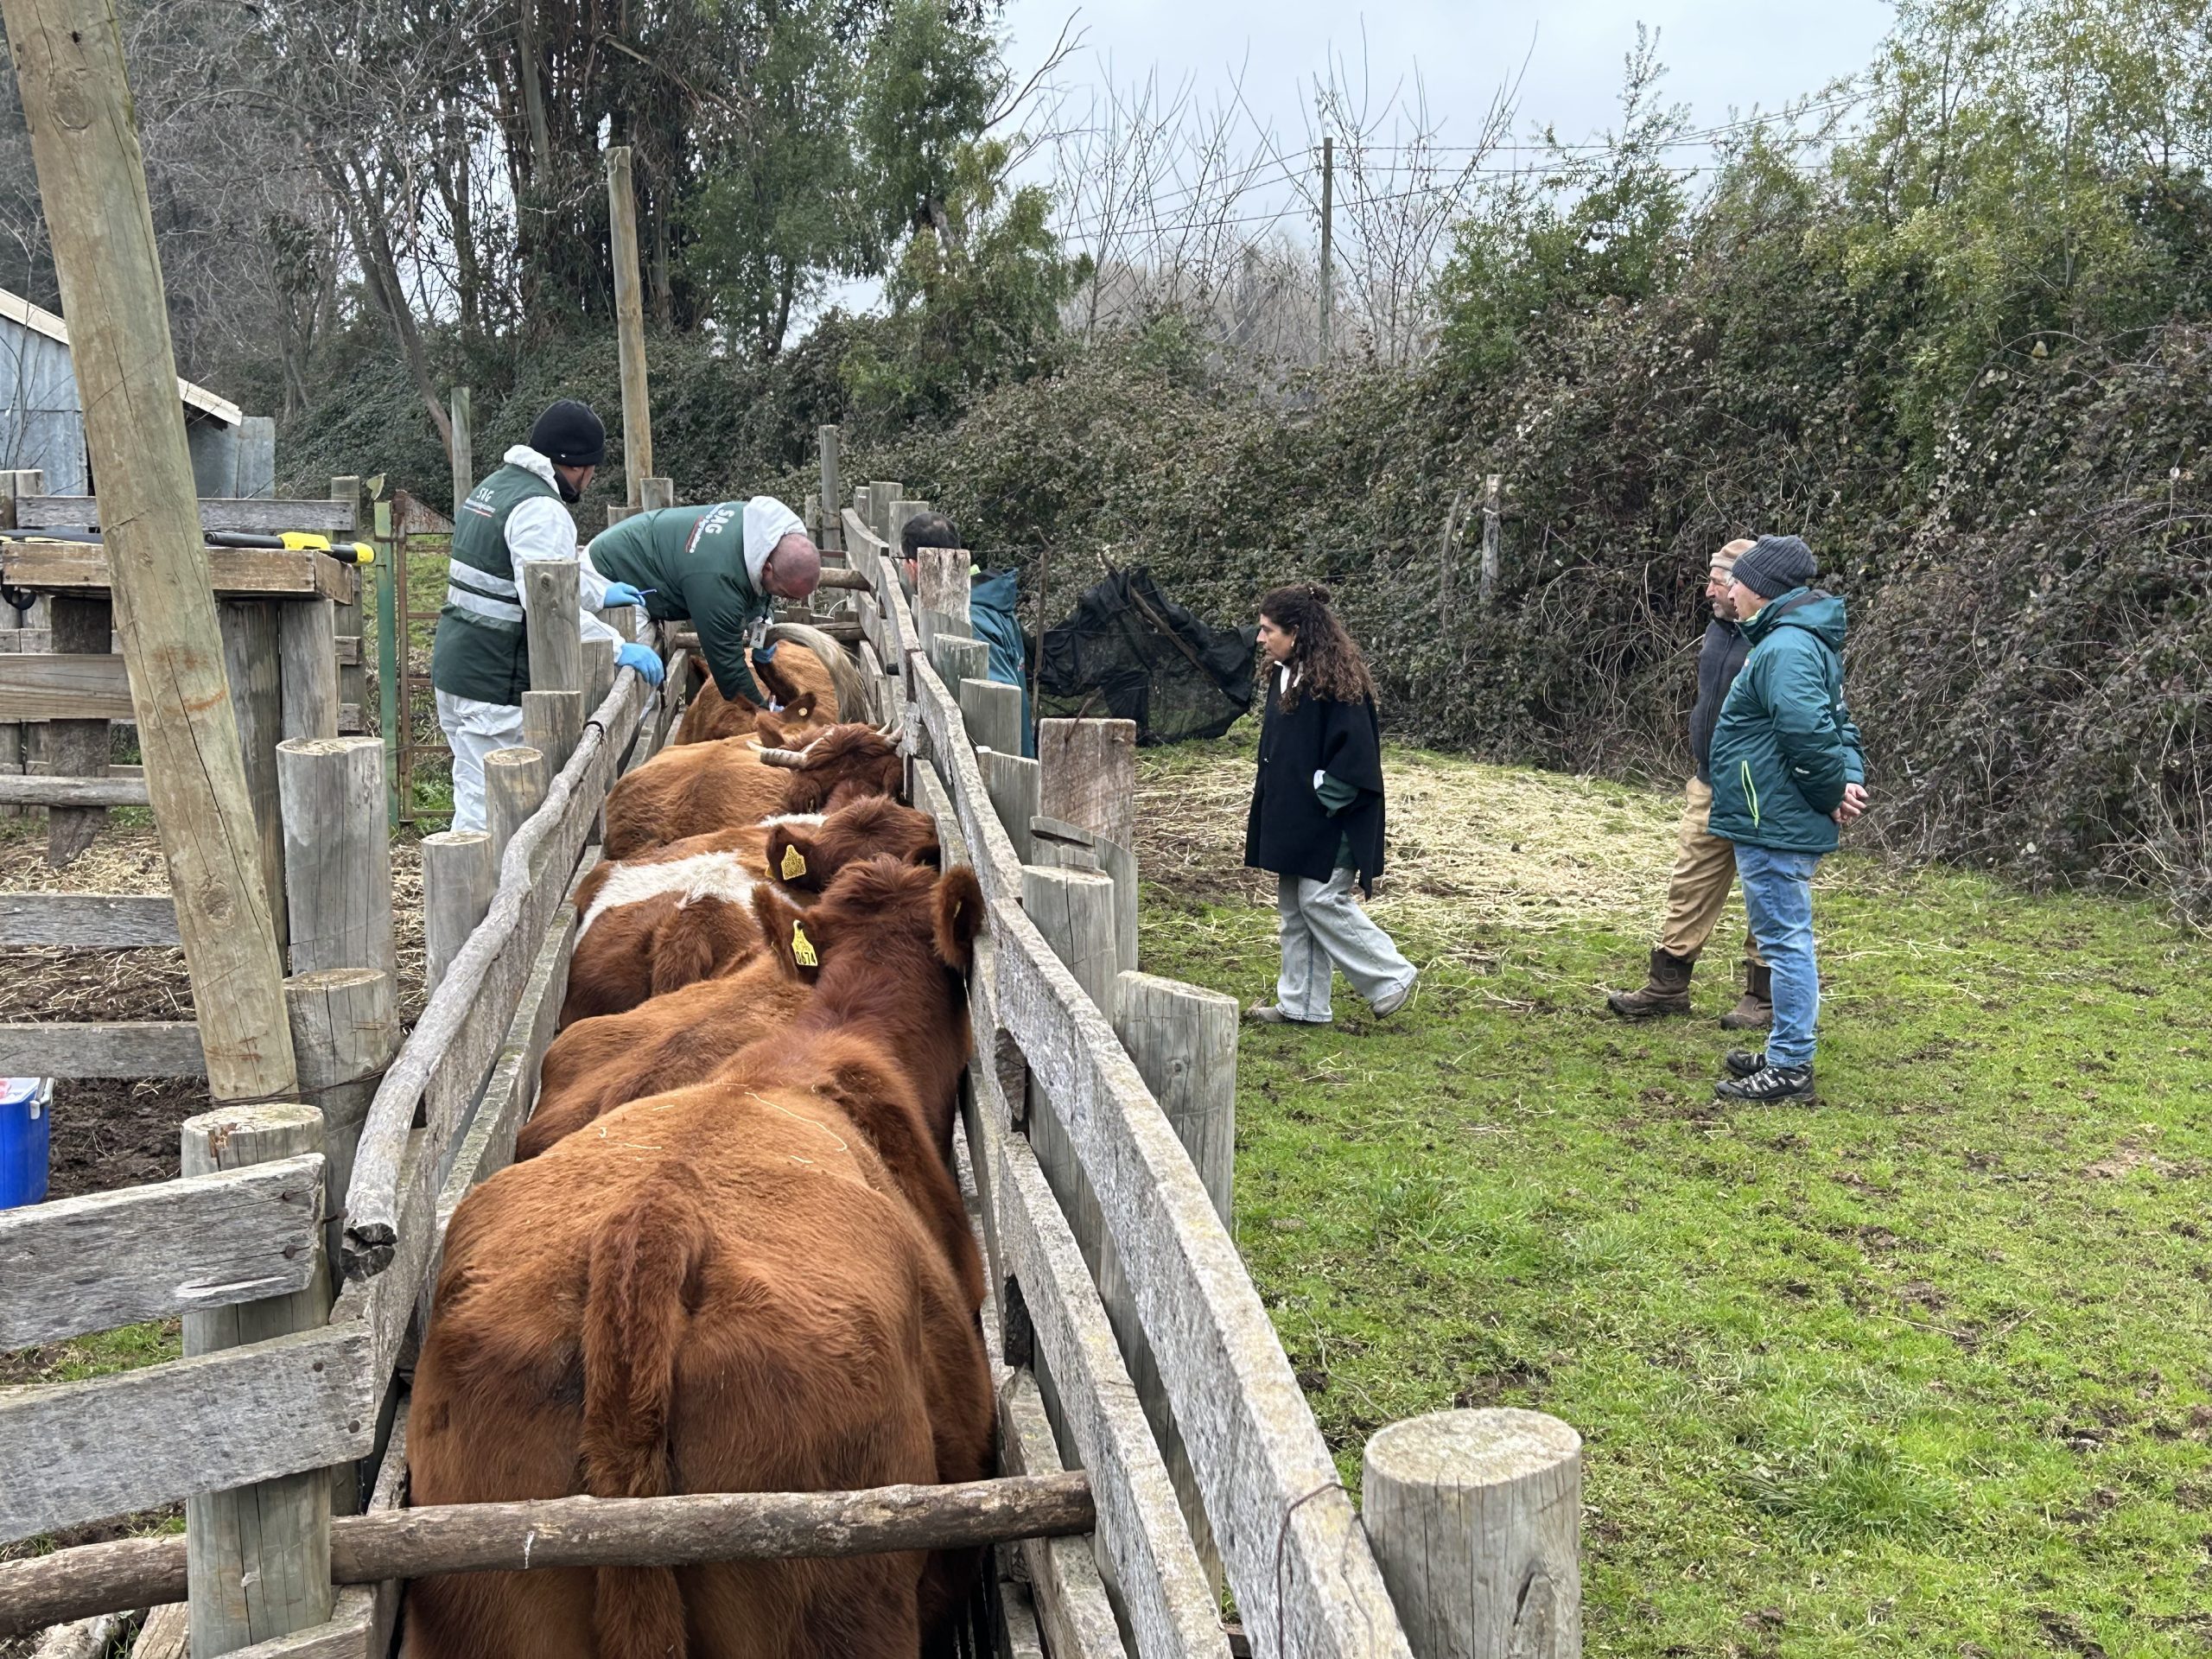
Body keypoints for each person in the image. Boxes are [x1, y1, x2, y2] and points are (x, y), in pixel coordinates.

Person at [432, 399, 661, 834]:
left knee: (472, 790)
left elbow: (545, 572)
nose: (590, 480)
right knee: (496, 811)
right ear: (574, 464)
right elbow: (548, 603)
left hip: (455, 668)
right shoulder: (541, 509)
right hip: (494, 680)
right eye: (592, 468)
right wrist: (617, 647)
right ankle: (494, 902)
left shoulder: (493, 489)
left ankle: (466, 895)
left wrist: (601, 592)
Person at [1704, 535, 1867, 1103]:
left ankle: (1792, 1068)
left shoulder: (1786, 649)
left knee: (1784, 942)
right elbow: (1839, 726)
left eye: (1734, 581)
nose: (1727, 590)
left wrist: (1831, 791)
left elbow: (1809, 732)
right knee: (1782, 937)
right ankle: (1782, 1052)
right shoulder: (1797, 642)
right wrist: (1847, 778)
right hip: (1773, 812)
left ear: (1755, 588)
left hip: (1773, 816)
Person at [1607, 537, 1770, 1028]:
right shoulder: (1720, 628)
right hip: (1709, 781)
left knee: (1766, 891)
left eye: (1718, 582)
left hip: (1761, 790)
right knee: (1690, 882)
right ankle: (1667, 987)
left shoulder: (1778, 639)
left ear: (1747, 585)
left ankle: (1764, 997)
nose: (1707, 591)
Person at [1242, 583, 1416, 1026]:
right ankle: (1302, 1005)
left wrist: (1325, 799)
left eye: (1268, 630)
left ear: (1296, 632)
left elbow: (1356, 758)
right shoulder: (1285, 675)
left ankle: (1390, 976)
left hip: (1332, 819)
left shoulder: (1339, 685)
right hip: (1295, 820)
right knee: (1294, 909)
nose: (1260, 638)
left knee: (1321, 900)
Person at [584, 495, 823, 714]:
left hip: (643, 549)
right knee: (633, 694)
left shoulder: (761, 535)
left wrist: (761, 638)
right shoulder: (716, 581)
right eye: (784, 592)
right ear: (767, 568)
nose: (783, 599)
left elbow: (761, 597)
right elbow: (727, 667)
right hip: (613, 578)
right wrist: (765, 715)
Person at [904, 511, 1033, 755]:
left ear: (914, 564)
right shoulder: (989, 602)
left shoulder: (969, 619)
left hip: (996, 770)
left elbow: (998, 700)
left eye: (903, 560)